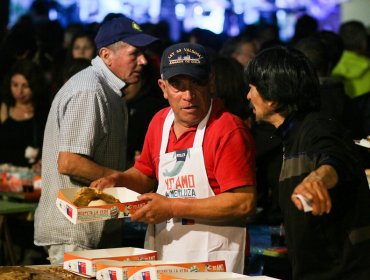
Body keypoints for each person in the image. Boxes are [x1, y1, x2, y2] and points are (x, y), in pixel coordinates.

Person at [90, 42, 257, 273]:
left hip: (214, 262)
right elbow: (145, 174)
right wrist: (118, 180)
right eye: (177, 86)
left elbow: (243, 203)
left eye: (196, 83)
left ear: (211, 82)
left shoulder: (228, 130)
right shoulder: (160, 122)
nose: (188, 96)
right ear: (163, 87)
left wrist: (171, 207)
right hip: (167, 255)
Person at [33, 16, 159, 264]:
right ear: (106, 55)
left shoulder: (109, 90)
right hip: (76, 231)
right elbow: (69, 162)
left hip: (94, 226)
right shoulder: (90, 91)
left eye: (144, 53)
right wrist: (122, 182)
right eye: (135, 54)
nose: (143, 61)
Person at [245, 45, 370, 280]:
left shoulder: (318, 127)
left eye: (252, 88)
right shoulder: (289, 137)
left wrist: (319, 178)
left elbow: (335, 157)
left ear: (271, 97)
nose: (248, 96)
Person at [0, 58, 49, 169]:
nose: (19, 92)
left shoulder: (43, 112)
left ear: (34, 86)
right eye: (15, 85)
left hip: (30, 175)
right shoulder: (4, 108)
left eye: (25, 86)